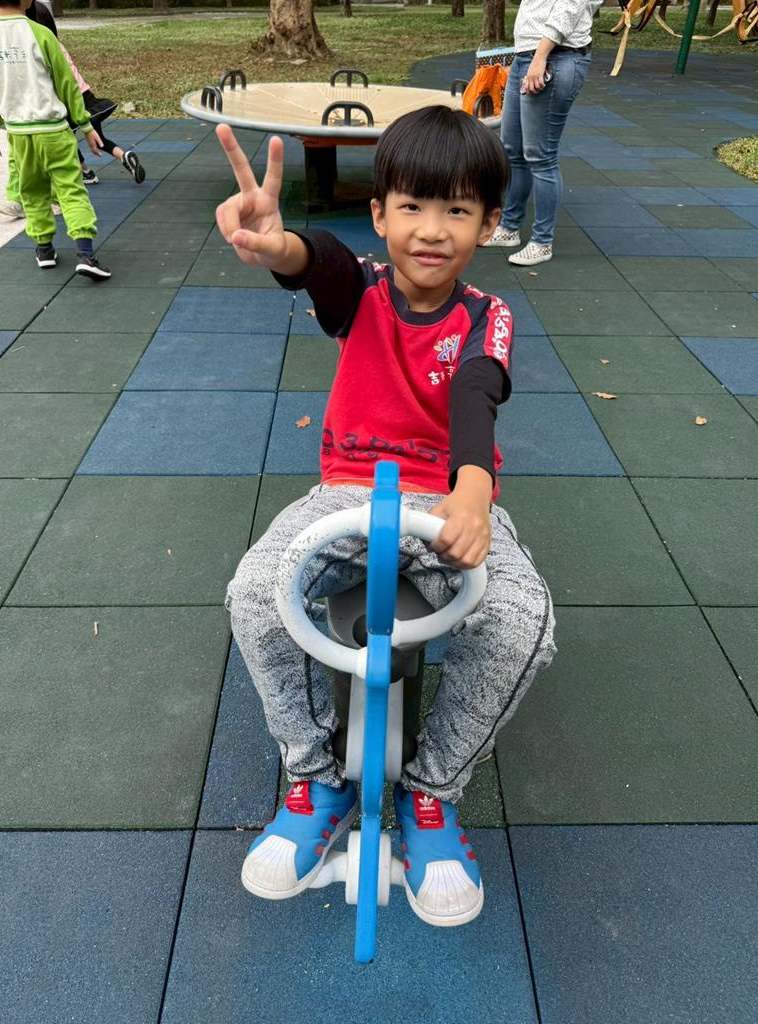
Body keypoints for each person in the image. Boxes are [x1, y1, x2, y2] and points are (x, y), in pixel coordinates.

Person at [217, 106, 556, 927]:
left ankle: (431, 791)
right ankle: (317, 777)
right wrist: (281, 247)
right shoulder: (361, 290)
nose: (431, 230)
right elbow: (321, 265)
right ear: (379, 214)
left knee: (521, 622)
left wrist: (470, 489)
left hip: (446, 498)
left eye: (457, 210)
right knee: (256, 594)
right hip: (348, 491)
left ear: (486, 224)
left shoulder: (486, 314)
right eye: (411, 206)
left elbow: (476, 392)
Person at [0, 0, 110, 277]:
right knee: (71, 189)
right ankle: (85, 255)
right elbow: (67, 83)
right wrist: (85, 125)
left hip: (19, 134)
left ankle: (44, 249)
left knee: (32, 192)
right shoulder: (40, 33)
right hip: (54, 130)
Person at [485, 0, 602, 266]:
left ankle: (541, 242)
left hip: (555, 56)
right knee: (512, 150)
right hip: (525, 56)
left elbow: (569, 7)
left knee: (541, 156)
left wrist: (540, 57)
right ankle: (509, 227)